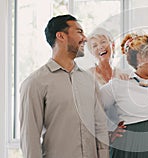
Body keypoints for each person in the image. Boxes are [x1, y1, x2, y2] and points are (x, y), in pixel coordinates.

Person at [19, 14, 109, 158]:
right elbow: (30, 138)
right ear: (61, 36)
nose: (85, 38)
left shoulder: (89, 80)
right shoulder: (35, 83)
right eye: (79, 32)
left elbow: (100, 128)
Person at [87, 27, 128, 132]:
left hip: (123, 132)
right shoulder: (87, 76)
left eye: (103, 42)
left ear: (112, 45)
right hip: (100, 134)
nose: (100, 47)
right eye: (94, 46)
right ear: (91, 52)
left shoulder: (123, 75)